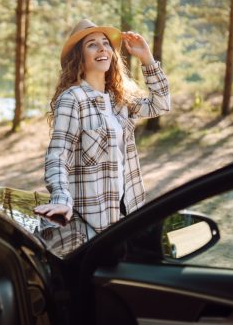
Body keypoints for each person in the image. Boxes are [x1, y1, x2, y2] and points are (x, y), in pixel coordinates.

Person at [33, 19, 170, 255]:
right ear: (79, 57)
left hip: (129, 216)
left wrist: (146, 59)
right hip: (93, 225)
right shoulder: (73, 98)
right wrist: (60, 197)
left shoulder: (119, 99)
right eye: (92, 45)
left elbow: (161, 104)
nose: (102, 49)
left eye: (105, 43)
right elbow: (58, 154)